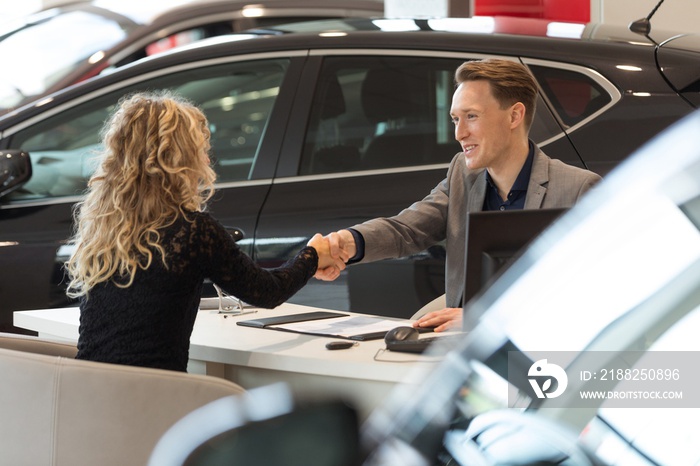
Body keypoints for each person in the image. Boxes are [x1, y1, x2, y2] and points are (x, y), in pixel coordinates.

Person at [65, 91, 344, 372]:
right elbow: (266, 292)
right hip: (155, 397)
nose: (206, 161)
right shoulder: (193, 231)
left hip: (85, 394)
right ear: (179, 161)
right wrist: (312, 256)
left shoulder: (102, 227)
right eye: (200, 150)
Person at [316, 58, 601, 332]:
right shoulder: (462, 175)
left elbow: (591, 298)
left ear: (514, 115)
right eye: (455, 119)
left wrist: (482, 318)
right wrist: (346, 242)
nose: (459, 133)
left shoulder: (578, 190)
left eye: (471, 117)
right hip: (459, 342)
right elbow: (407, 230)